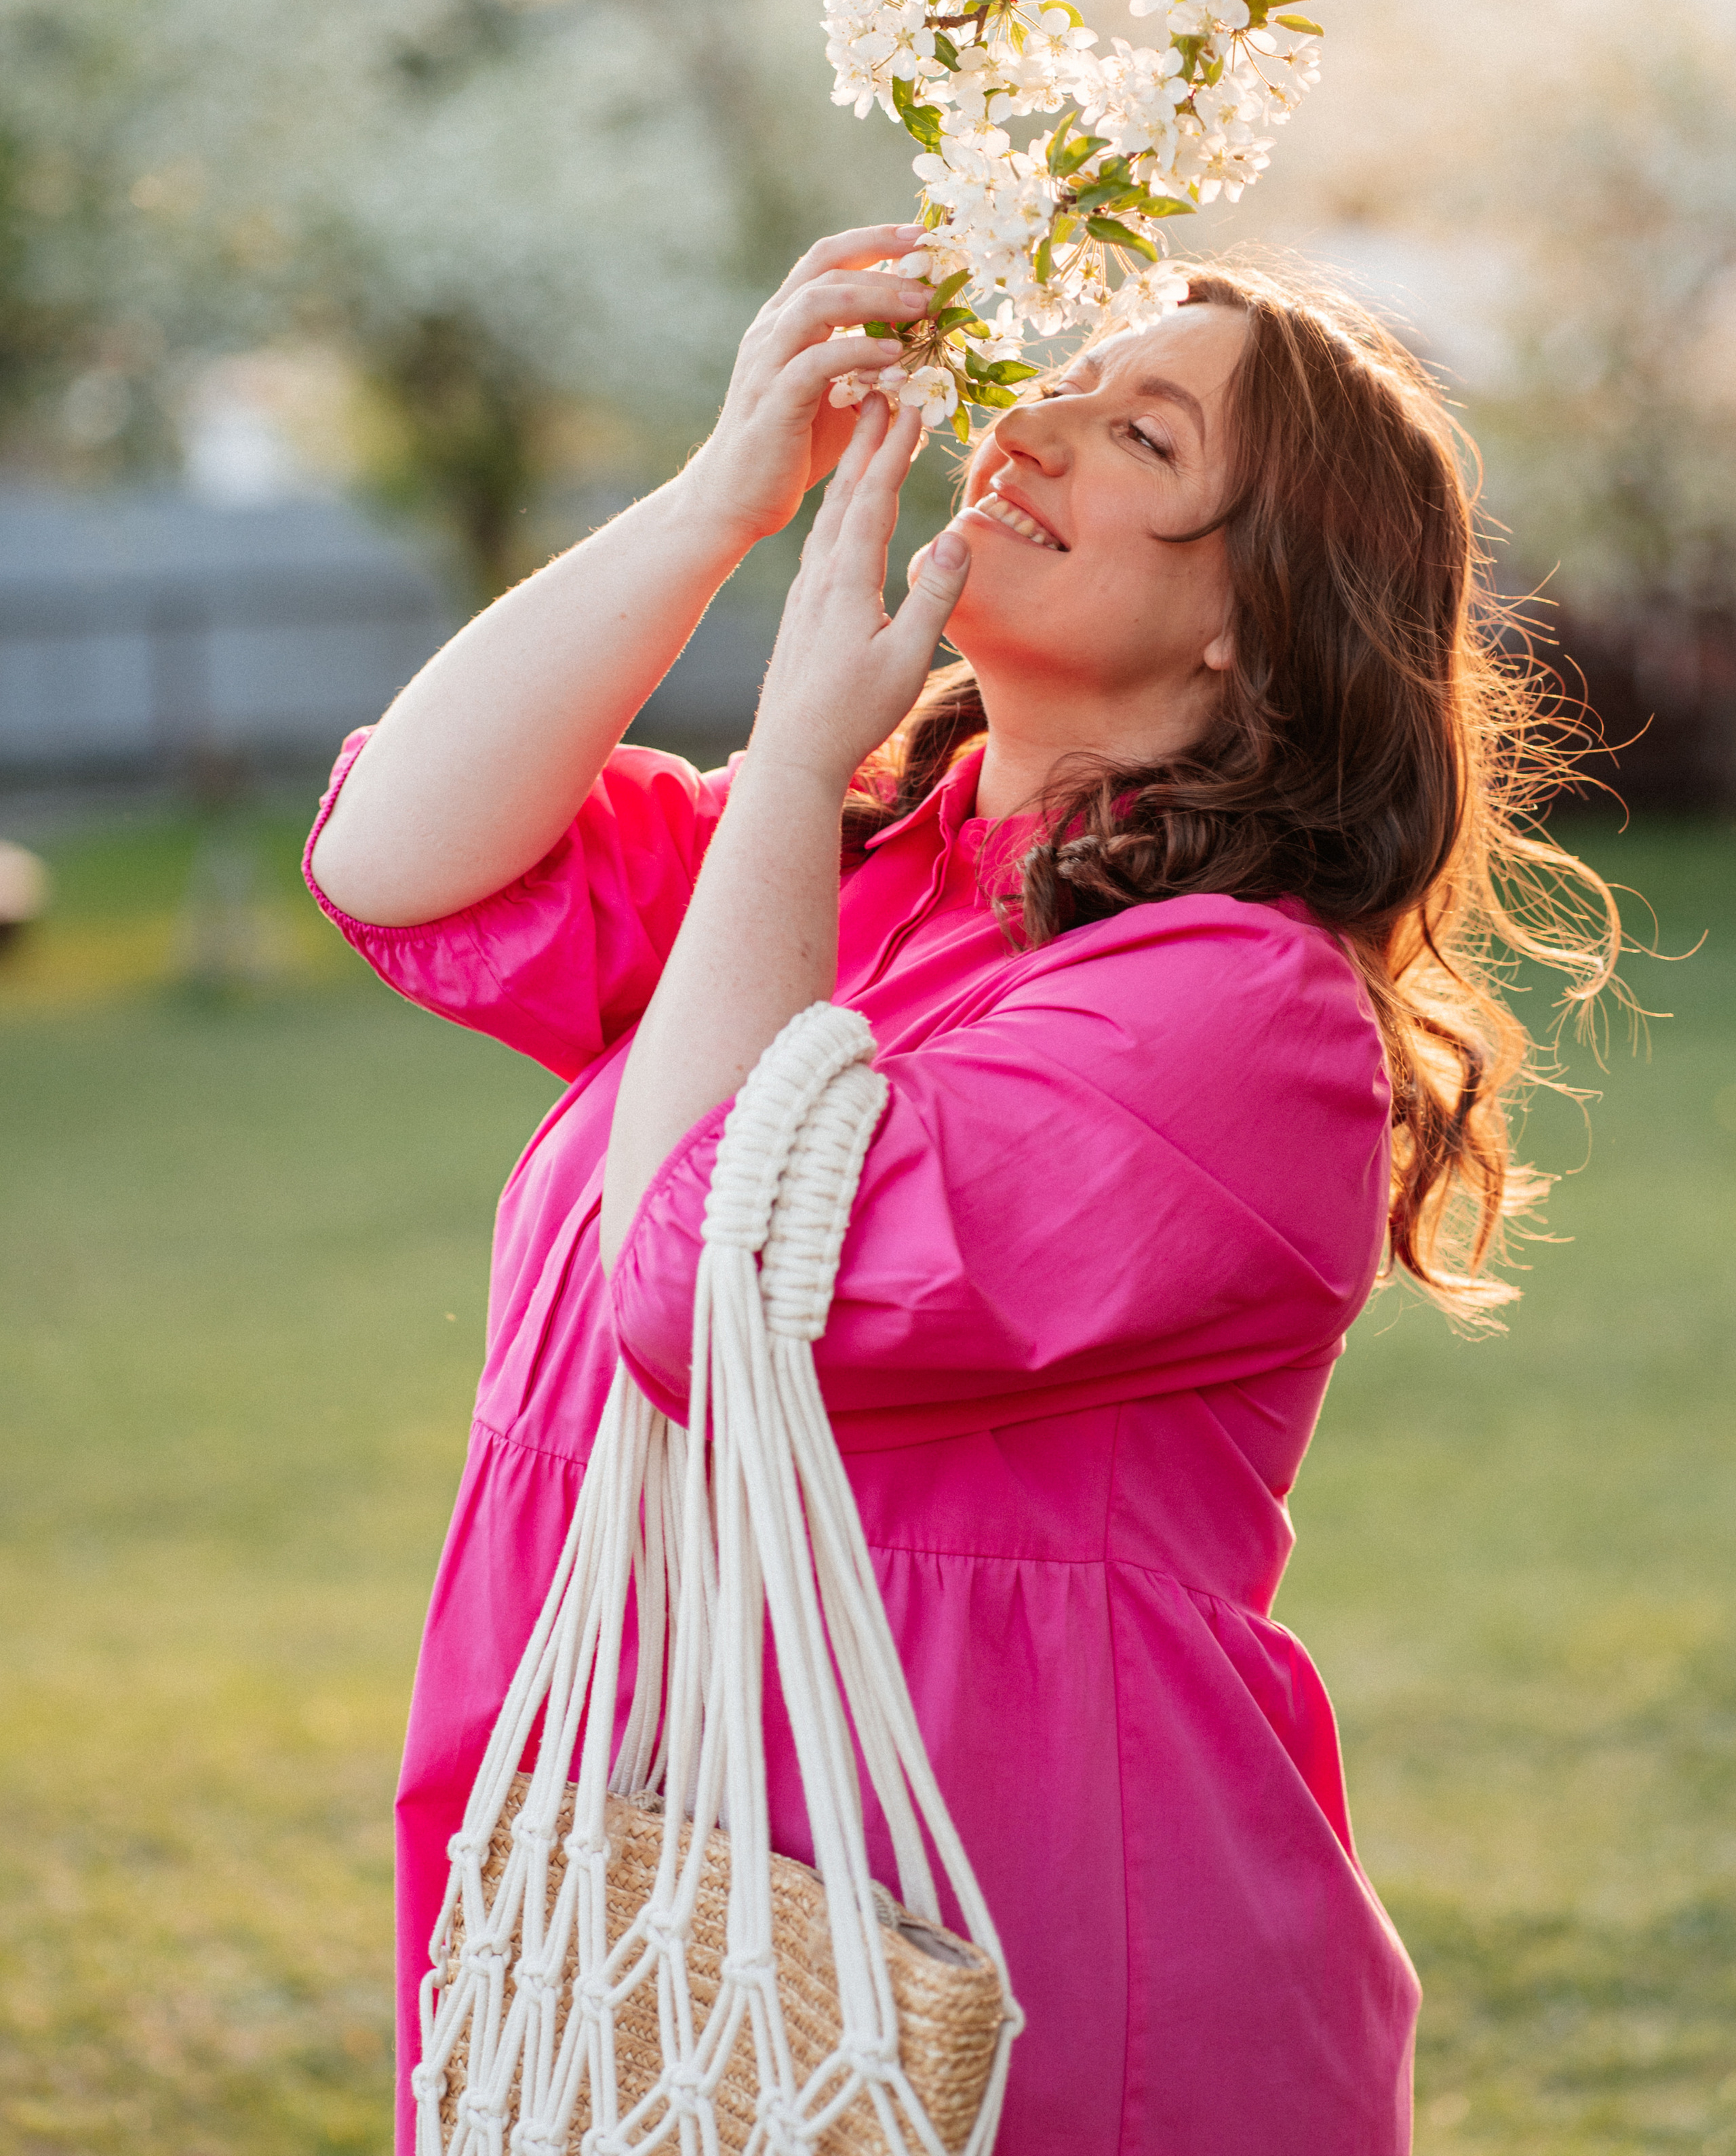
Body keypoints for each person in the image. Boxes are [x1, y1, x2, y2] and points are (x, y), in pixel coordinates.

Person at [306, 224, 1618, 2155]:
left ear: (1249, 618)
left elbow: (699, 1291)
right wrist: (716, 500)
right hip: (638, 1899)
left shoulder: (1239, 1012)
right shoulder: (845, 870)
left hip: (997, 1961)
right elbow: (397, 853)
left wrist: (777, 783)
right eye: (1071, 375)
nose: (1048, 419)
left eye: (1146, 436)